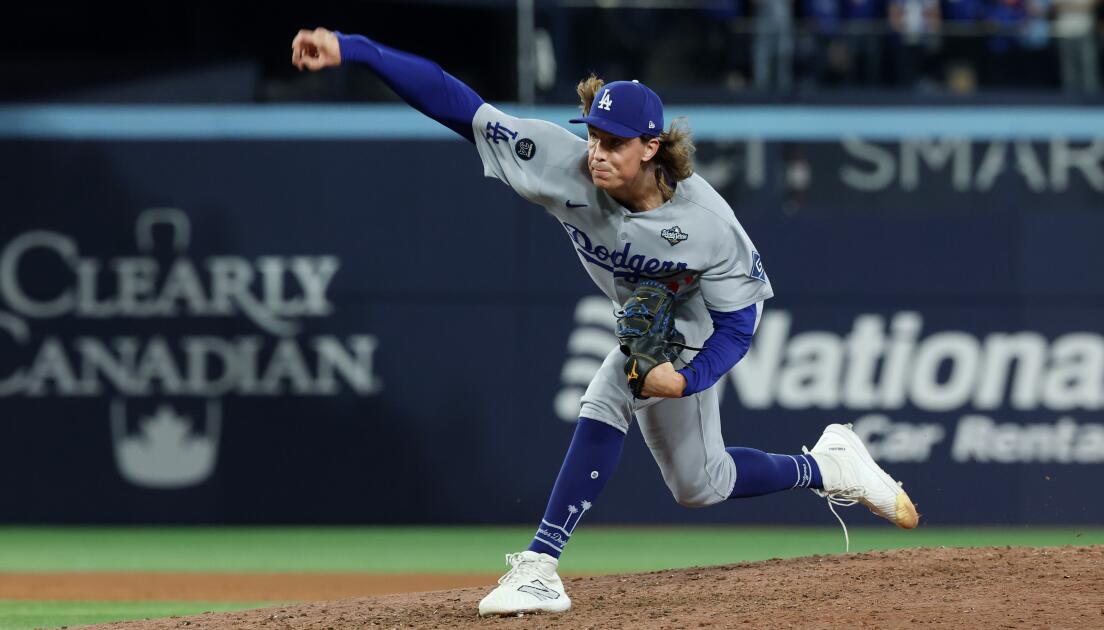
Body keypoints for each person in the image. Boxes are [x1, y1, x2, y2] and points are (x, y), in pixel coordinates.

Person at [291, 27, 918, 617]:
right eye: (593, 136)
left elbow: (738, 325)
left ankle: (540, 564)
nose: (597, 153)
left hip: (694, 328)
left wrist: (689, 378)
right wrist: (354, 48)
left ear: (651, 147)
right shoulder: (558, 162)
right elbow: (457, 103)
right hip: (647, 323)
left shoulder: (709, 225)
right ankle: (830, 467)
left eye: (614, 142)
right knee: (702, 485)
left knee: (610, 390)